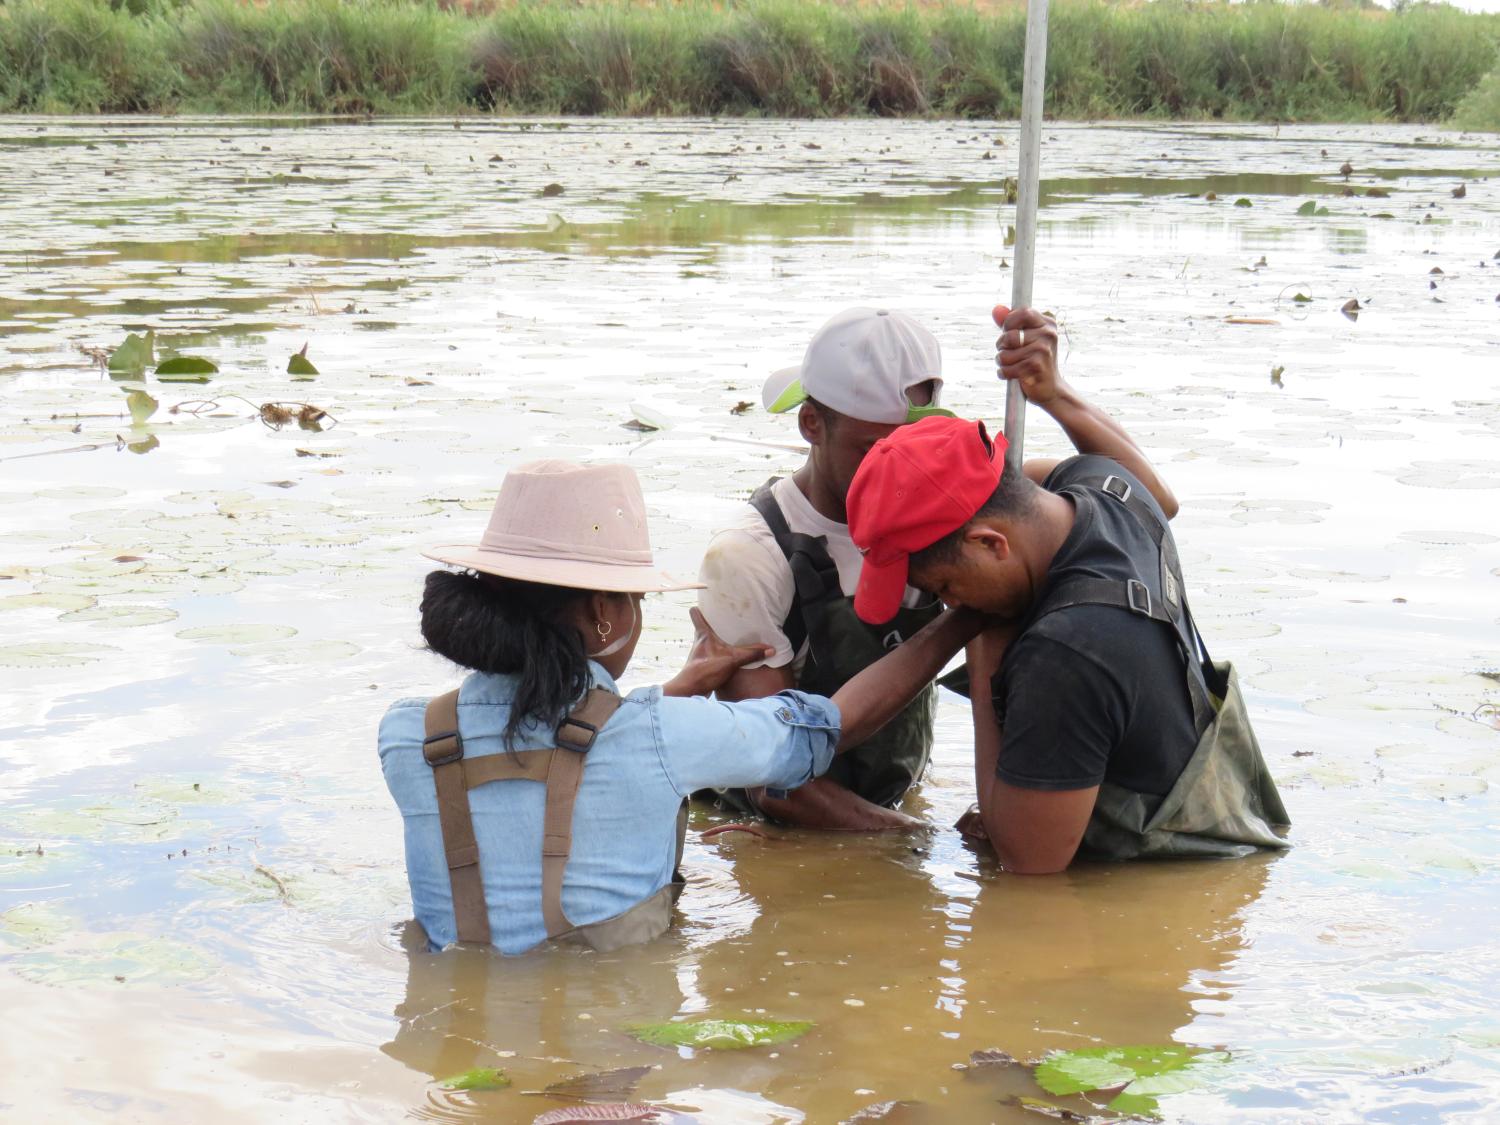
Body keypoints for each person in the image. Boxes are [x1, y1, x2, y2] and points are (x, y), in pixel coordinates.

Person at [379, 459, 982, 954]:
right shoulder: (664, 734)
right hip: (614, 1049)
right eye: (634, 600)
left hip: (460, 1035)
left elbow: (547, 749)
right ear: (603, 614)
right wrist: (965, 616)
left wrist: (679, 689)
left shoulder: (408, 735)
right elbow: (837, 726)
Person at [844, 306, 1290, 874]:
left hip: (1161, 881)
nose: (954, 606)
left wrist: (985, 652)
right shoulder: (1105, 491)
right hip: (1233, 829)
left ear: (991, 545)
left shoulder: (1067, 650)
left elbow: (1027, 862)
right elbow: (1163, 499)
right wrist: (1054, 394)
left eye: (947, 587)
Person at [696, 306, 956, 830]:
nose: (894, 468)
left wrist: (1052, 395)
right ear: (812, 423)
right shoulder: (748, 554)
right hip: (774, 824)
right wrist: (921, 839)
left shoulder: (940, 514)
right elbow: (774, 780)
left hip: (888, 801)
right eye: (873, 448)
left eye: (910, 446)